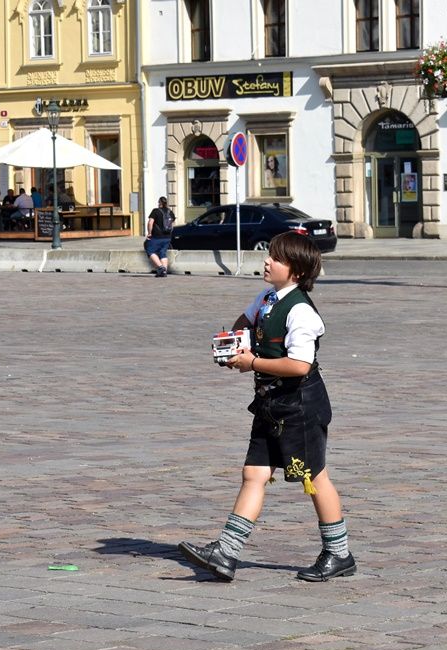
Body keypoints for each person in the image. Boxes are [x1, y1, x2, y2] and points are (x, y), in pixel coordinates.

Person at [178, 232, 355, 583]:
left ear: (297, 271)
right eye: (269, 255)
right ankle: (226, 553)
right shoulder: (267, 297)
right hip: (270, 403)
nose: (267, 261)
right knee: (254, 473)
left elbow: (300, 365)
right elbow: (244, 322)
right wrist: (232, 345)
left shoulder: (301, 311)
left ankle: (339, 553)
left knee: (314, 476)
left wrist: (252, 363)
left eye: (276, 258)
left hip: (300, 404)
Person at [145, 196, 175, 277]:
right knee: (163, 253)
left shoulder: (155, 211)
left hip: (157, 236)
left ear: (160, 203)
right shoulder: (170, 212)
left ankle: (160, 267)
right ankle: (164, 272)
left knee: (150, 250)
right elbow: (172, 224)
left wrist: (149, 233)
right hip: (167, 237)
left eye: (158, 202)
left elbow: (150, 222)